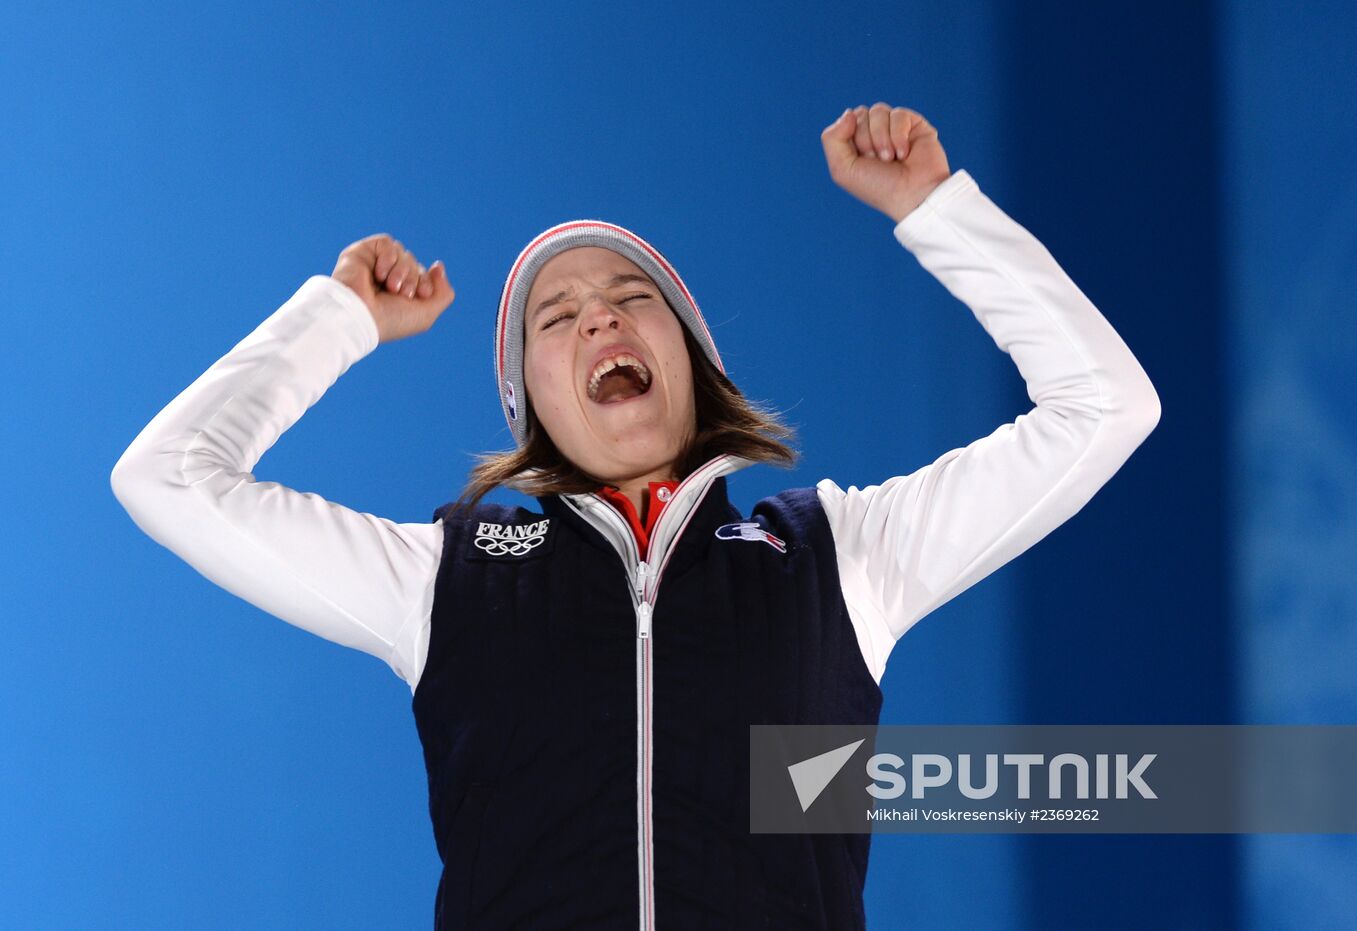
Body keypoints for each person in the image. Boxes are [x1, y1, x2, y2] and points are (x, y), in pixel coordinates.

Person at [110, 102, 1161, 929]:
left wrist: (935, 210)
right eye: (556, 318)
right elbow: (165, 477)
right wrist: (337, 319)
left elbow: (1104, 405)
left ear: (695, 368)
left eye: (632, 296)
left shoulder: (837, 555)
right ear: (531, 408)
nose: (600, 314)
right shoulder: (446, 578)